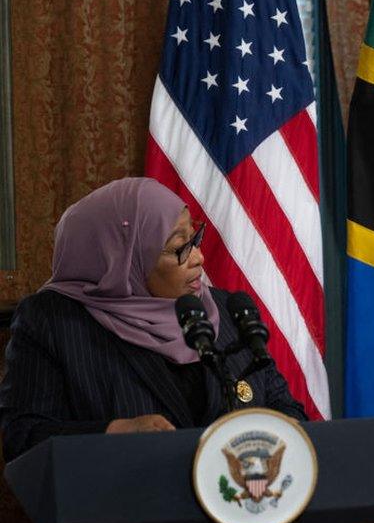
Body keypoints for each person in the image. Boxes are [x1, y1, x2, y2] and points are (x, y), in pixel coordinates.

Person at [0, 178, 306, 461]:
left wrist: (287, 431)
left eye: (194, 239)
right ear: (122, 259)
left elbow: (285, 408)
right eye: (178, 248)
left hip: (240, 508)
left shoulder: (228, 311)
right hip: (124, 507)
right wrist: (116, 432)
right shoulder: (53, 322)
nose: (198, 257)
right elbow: (23, 437)